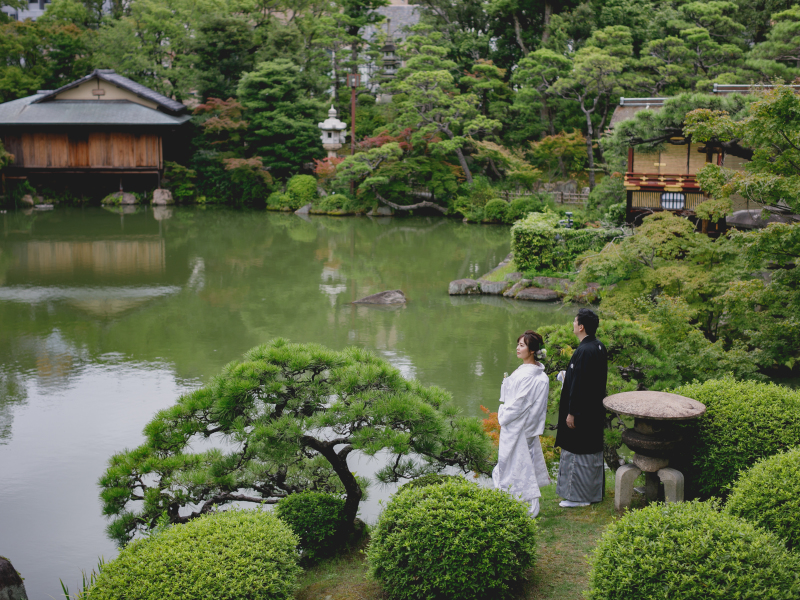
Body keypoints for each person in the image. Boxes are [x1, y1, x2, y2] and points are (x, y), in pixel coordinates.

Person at [492, 330, 551, 518]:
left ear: (532, 350)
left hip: (517, 427)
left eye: (522, 345)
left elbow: (520, 404)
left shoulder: (529, 375)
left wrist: (503, 416)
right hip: (524, 428)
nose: (518, 348)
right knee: (520, 466)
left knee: (516, 467)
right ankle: (513, 503)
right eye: (518, 344)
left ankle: (524, 508)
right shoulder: (537, 373)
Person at [555, 308, 608, 508]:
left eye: (574, 321)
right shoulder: (598, 346)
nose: (573, 324)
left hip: (582, 413)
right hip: (593, 410)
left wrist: (572, 413)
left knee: (577, 450)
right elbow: (588, 380)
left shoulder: (584, 350)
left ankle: (579, 497)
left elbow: (580, 385)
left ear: (581, 326)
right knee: (590, 450)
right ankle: (591, 493)